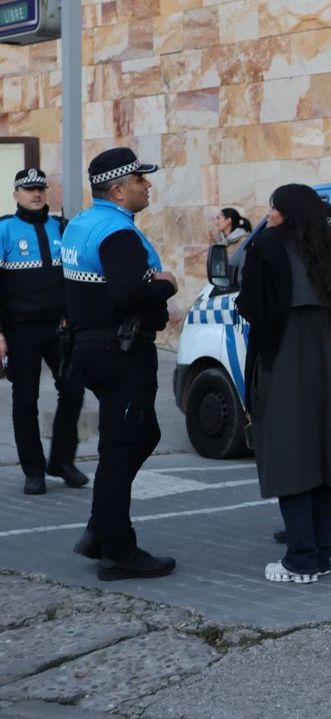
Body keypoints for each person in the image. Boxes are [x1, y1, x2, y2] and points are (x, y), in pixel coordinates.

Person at [61, 148, 179, 580]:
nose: (147, 186)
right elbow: (128, 293)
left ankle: (99, 531)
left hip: (92, 348)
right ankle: (118, 551)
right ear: (118, 189)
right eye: (140, 180)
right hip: (121, 351)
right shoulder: (118, 233)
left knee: (128, 440)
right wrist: (166, 284)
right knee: (125, 446)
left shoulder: (80, 224)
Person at [237, 184, 331, 583]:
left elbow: (249, 303)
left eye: (273, 207)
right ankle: (320, 554)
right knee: (326, 457)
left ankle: (301, 559)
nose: (268, 214)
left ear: (285, 213)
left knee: (290, 456)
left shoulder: (268, 247)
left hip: (284, 362)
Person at [272, 202, 331, 552]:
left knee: (325, 445)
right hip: (330, 358)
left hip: (321, 360)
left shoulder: (327, 260)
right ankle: (319, 525)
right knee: (328, 443)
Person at [0, 168, 88, 495]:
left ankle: (62, 461)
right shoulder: (4, 230)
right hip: (20, 330)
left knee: (74, 390)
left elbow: (77, 275)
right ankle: (33, 471)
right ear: (16, 195)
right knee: (26, 401)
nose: (36, 194)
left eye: (39, 188)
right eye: (28, 189)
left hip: (60, 330)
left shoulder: (63, 228)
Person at [212, 207, 253, 274]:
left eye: (218, 218)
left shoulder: (244, 241)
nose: (216, 222)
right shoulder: (223, 241)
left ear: (228, 220)